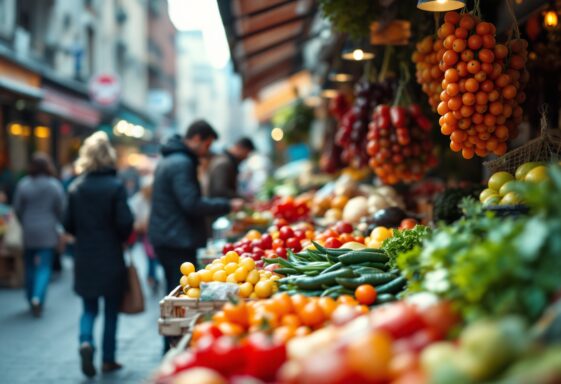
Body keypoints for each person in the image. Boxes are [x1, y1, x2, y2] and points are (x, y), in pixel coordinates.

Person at [148, 120, 243, 348]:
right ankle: (172, 347)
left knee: (173, 292)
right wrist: (227, 204)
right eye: (208, 145)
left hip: (167, 235)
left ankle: (171, 343)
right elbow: (191, 203)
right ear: (198, 138)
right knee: (179, 297)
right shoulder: (182, 163)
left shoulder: (171, 159)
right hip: (177, 238)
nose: (207, 152)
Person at [63, 131, 133, 377]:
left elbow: (68, 224)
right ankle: (108, 359)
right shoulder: (116, 187)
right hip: (111, 255)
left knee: (88, 308)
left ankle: (85, 342)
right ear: (109, 157)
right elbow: (125, 224)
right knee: (111, 310)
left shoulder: (75, 188)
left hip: (84, 256)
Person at [12, 153, 65, 318]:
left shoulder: (24, 184)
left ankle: (30, 297)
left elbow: (17, 208)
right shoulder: (54, 185)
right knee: (44, 266)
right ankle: (38, 297)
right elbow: (61, 208)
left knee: (29, 265)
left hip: (28, 229)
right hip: (48, 230)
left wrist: (25, 222)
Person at [129, 175, 159, 292]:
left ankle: (152, 277)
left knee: (153, 256)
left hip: (154, 232)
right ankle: (152, 277)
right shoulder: (138, 200)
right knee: (150, 256)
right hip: (145, 233)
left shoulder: (154, 199)